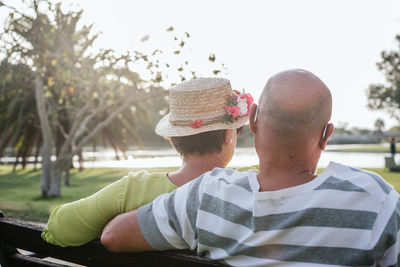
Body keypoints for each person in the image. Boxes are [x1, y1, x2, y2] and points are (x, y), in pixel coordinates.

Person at [101, 69, 400, 266]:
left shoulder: (207, 197)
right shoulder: (376, 202)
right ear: (326, 135)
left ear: (253, 120)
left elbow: (113, 236)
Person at [41, 77, 253, 247]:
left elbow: (58, 230)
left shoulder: (133, 190)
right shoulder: (251, 188)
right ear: (228, 135)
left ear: (173, 138)